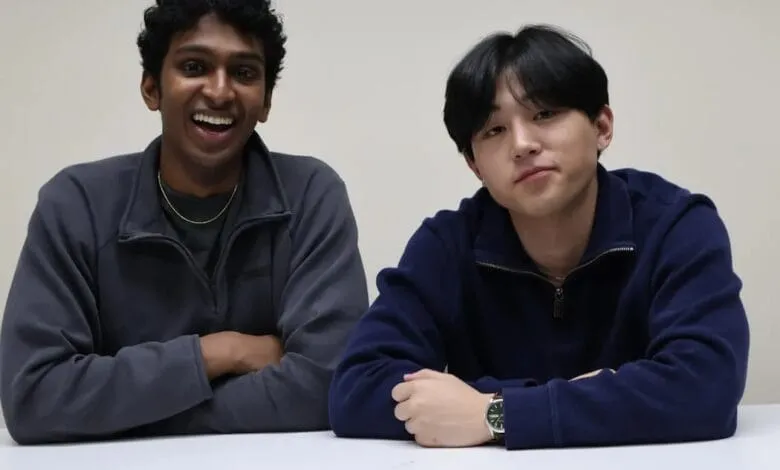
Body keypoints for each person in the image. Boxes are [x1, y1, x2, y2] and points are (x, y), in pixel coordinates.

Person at [328, 24, 750, 450]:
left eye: (544, 114)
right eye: (494, 130)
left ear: (602, 126)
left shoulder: (676, 225)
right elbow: (355, 389)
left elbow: (706, 385)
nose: (523, 144)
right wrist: (586, 398)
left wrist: (493, 413)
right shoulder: (447, 243)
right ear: (475, 166)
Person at [0, 0, 368, 445]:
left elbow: (329, 384)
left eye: (245, 73)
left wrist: (119, 412)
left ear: (267, 100)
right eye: (194, 66)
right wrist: (219, 351)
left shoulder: (311, 194)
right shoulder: (76, 204)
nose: (219, 91)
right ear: (152, 88)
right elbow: (34, 396)